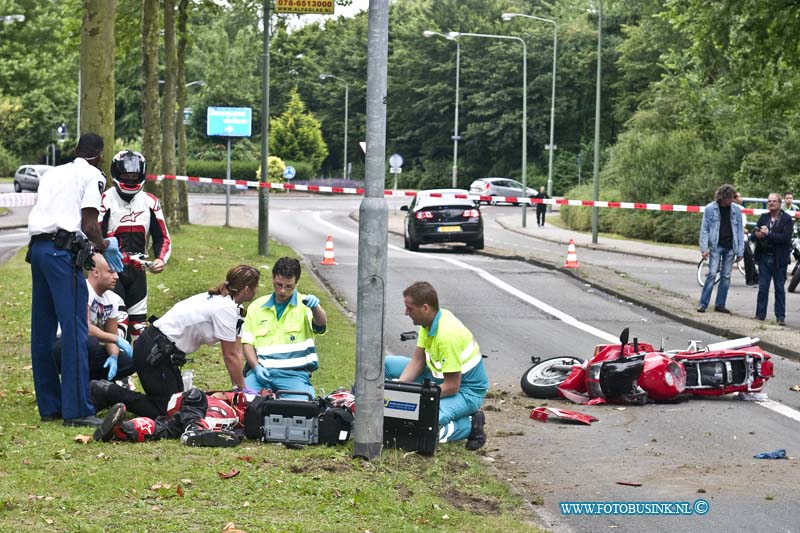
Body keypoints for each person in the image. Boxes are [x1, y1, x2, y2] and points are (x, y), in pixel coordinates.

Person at [27, 133, 125, 427]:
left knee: (42, 330)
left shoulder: (54, 172)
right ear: (99, 155)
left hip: (39, 250)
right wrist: (106, 245)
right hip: (62, 254)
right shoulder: (93, 175)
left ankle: (51, 405)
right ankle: (78, 410)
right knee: (75, 331)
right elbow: (89, 223)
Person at [90, 264, 261, 419]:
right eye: (256, 286)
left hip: (161, 349)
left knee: (179, 405)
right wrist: (239, 389)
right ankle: (106, 391)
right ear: (247, 289)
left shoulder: (229, 304)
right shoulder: (225, 308)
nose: (257, 290)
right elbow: (230, 355)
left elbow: (236, 350)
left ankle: (109, 393)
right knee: (166, 410)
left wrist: (241, 386)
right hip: (155, 351)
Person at [385, 281, 488, 450]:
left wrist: (415, 398)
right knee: (386, 364)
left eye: (409, 308)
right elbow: (418, 361)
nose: (406, 312)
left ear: (425, 308)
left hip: (466, 391)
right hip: (437, 376)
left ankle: (471, 424)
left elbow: (453, 386)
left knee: (422, 419)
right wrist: (399, 389)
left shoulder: (447, 335)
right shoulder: (429, 322)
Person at [100, 150, 171, 343]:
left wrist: (160, 259)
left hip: (138, 273)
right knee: (118, 325)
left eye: (134, 176)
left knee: (139, 328)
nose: (130, 180)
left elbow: (163, 237)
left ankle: (137, 370)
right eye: (126, 176)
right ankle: (118, 372)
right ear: (116, 174)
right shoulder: (105, 200)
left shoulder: (151, 202)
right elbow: (95, 237)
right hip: (112, 272)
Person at [241, 257, 327, 398]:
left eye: (288, 287)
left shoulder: (305, 305)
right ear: (273, 279)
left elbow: (321, 323)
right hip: (261, 373)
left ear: (296, 283)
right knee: (243, 404)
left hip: (294, 376)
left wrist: (315, 307)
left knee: (299, 411)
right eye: (278, 285)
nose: (282, 291)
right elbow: (247, 343)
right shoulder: (257, 307)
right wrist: (256, 367)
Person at [54, 253, 134, 383]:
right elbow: (84, 328)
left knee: (127, 362)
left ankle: (93, 386)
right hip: (63, 346)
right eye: (111, 272)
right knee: (89, 342)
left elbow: (111, 335)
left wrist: (113, 356)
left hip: (88, 348)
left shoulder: (112, 299)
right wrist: (116, 339)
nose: (116, 277)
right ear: (96, 272)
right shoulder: (82, 290)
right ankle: (73, 386)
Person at [93, 389, 239, 447]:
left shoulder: (231, 406)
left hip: (207, 420)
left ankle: (122, 430)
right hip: (193, 413)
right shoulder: (220, 400)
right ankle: (194, 430)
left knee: (167, 428)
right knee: (195, 397)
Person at [697, 184, 744, 314]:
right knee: (712, 274)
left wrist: (740, 250)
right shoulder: (710, 209)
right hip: (716, 246)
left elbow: (739, 231)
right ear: (722, 198)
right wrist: (704, 248)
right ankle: (703, 303)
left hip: (730, 247)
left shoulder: (736, 210)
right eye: (729, 198)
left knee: (726, 276)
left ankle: (720, 304)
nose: (732, 200)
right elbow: (704, 229)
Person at [752, 193, 793, 325]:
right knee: (763, 288)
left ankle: (780, 317)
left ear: (780, 203)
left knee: (779, 288)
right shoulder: (764, 217)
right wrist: (757, 235)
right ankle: (760, 315)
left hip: (779, 259)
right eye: (769, 201)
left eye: (774, 201)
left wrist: (769, 234)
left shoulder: (786, 219)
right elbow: (754, 235)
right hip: (764, 257)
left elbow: (785, 238)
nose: (771, 203)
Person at [734, 193, 758, 286]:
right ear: (734, 199)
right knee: (748, 256)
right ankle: (751, 279)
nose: (741, 198)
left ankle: (754, 277)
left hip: (742, 236)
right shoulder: (736, 209)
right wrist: (742, 229)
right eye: (739, 196)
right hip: (738, 237)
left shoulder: (741, 208)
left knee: (749, 256)